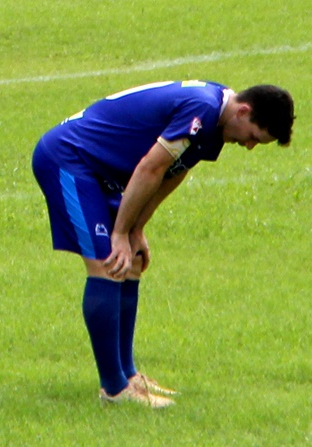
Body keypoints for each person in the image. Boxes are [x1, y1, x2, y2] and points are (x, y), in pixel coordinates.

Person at [32, 80, 295, 408]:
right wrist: (119, 234)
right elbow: (150, 167)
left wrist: (136, 229)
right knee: (107, 263)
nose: (250, 146)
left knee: (133, 262)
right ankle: (114, 389)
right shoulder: (202, 109)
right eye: (255, 137)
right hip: (69, 160)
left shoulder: (217, 119)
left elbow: (174, 171)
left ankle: (128, 376)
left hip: (100, 169)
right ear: (244, 111)